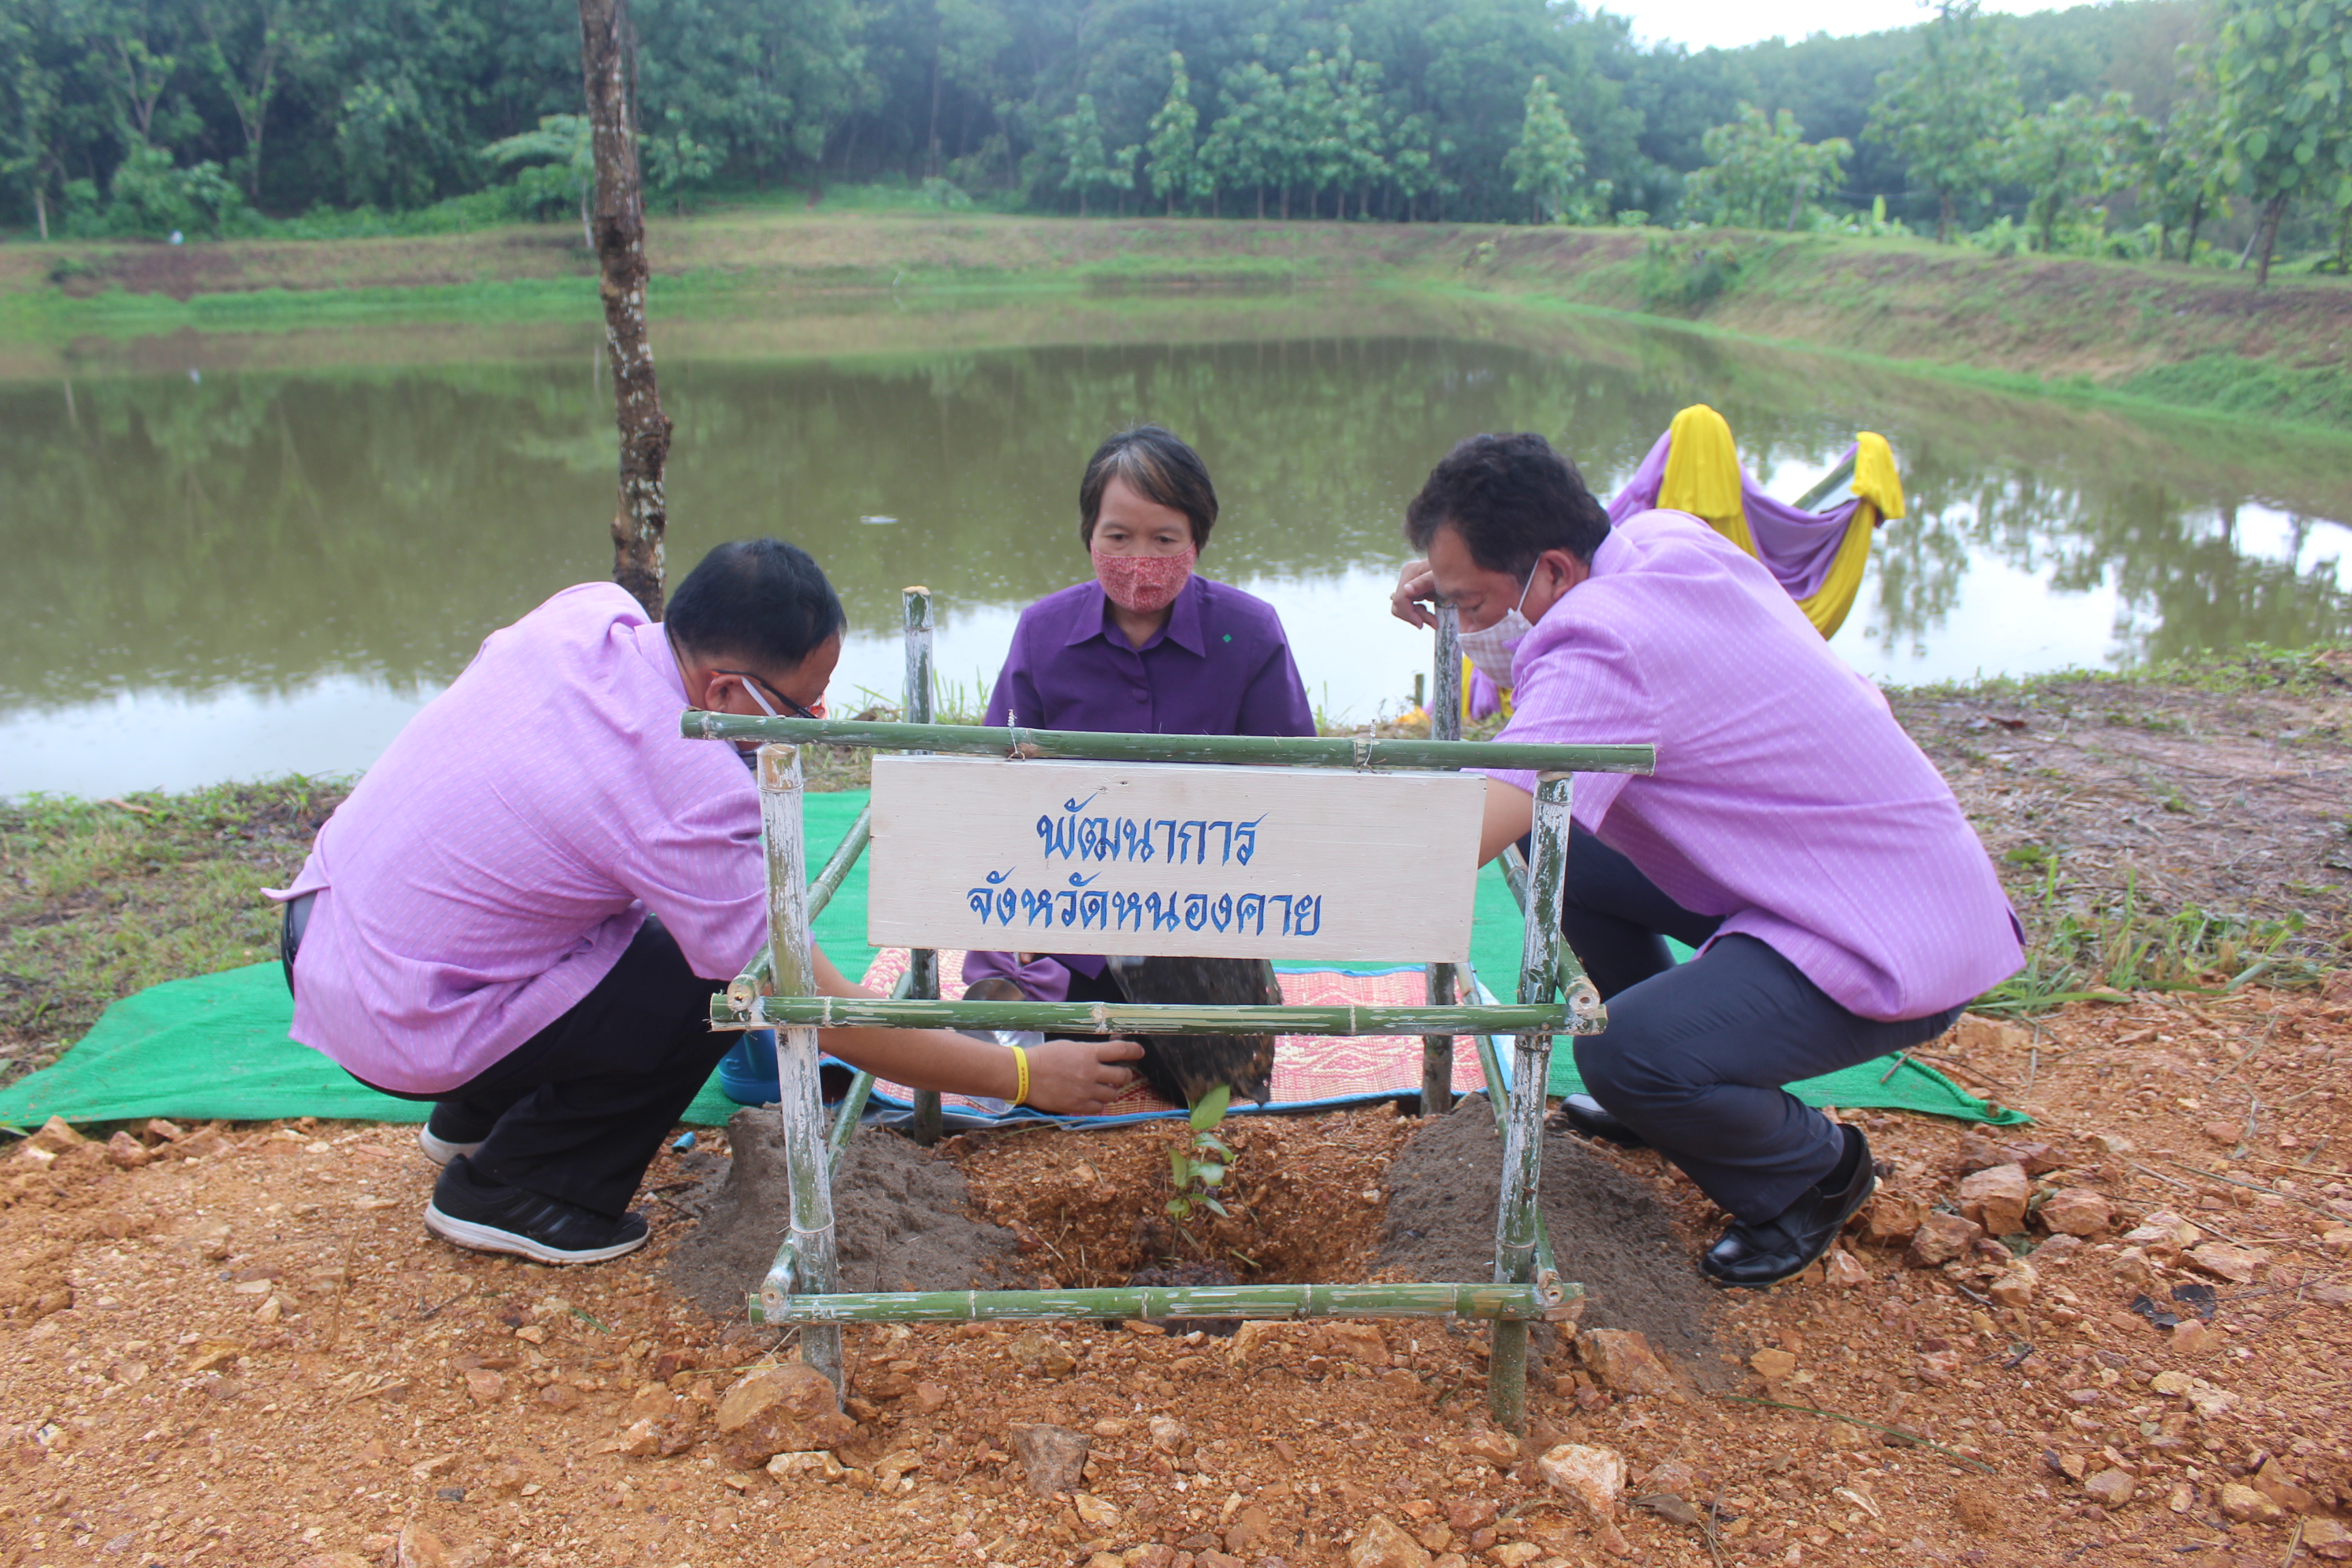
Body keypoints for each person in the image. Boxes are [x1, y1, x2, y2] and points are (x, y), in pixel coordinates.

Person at [271, 540, 1140, 1266]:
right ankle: (522, 1188)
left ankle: (474, 1118)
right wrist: (1023, 1075)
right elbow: (818, 1008)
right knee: (723, 983)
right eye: (801, 707)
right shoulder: (688, 789)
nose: (813, 723)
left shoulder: (588, 616)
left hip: (322, 931)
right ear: (723, 692)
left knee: (614, 914)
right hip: (402, 1020)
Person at [1390, 434, 2023, 1288]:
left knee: (1619, 1052)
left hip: (1888, 931)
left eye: (1470, 603)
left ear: (1553, 571)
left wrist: (1287, 864)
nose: (1464, 624)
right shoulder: (1662, 540)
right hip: (1852, 873)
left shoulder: (1601, 647)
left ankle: (1812, 1174)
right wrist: (1462, 580)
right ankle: (1673, 1082)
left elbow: (1456, 836)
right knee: (1560, 842)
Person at [964, 424, 1315, 1013]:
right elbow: (996, 775)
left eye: (1164, 539)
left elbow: (1294, 781)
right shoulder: (1042, 632)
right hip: (1069, 921)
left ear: (1197, 539)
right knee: (1049, 1048)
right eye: (1119, 537)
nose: (1140, 560)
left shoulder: (1250, 632)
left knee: (1215, 1062)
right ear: (1090, 534)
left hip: (1207, 919)